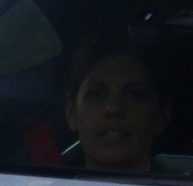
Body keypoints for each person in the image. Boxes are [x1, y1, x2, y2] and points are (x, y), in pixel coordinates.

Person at [62, 43, 173, 173]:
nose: (113, 108)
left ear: (162, 115)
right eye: (96, 95)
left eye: (134, 95)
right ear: (71, 112)